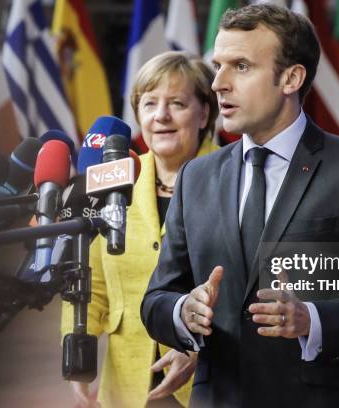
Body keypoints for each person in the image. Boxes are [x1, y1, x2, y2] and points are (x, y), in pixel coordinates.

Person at [141, 4, 339, 407]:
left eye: (240, 66)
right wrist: (183, 311)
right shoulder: (195, 177)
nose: (218, 83)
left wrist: (311, 319)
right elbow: (157, 299)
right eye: (218, 65)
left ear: (291, 78)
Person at [61, 51, 219, 408]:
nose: (161, 115)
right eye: (149, 104)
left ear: (204, 112)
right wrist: (76, 350)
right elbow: (90, 277)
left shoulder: (233, 176)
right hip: (130, 386)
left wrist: (196, 346)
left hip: (211, 379)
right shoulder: (112, 178)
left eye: (177, 103)